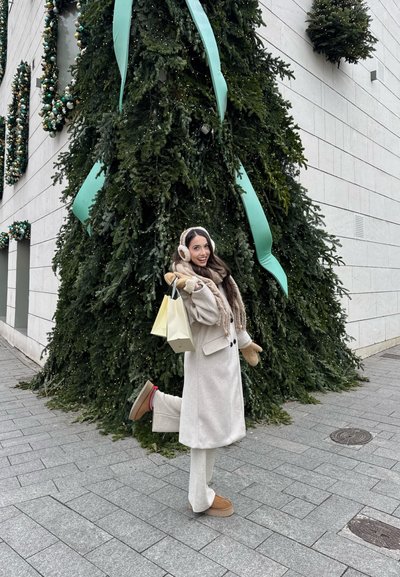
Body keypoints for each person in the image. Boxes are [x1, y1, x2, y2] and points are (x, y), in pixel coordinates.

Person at [129, 226, 262, 517]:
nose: (202, 253)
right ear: (185, 251)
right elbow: (211, 315)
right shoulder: (184, 279)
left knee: (209, 419)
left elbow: (231, 314)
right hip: (206, 361)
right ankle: (199, 498)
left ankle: (156, 401)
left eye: (205, 246)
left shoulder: (218, 274)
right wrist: (195, 288)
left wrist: (246, 344)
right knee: (204, 428)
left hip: (224, 361)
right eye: (196, 248)